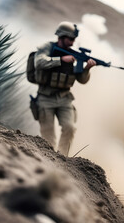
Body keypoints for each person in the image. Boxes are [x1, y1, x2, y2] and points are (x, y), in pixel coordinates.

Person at [33, 21, 96, 156]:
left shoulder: (73, 54)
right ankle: (48, 159)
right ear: (61, 36)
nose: (73, 42)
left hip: (65, 98)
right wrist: (61, 60)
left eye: (74, 39)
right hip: (45, 97)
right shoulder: (48, 47)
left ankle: (62, 159)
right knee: (48, 136)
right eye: (70, 39)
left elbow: (82, 80)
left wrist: (86, 69)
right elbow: (39, 62)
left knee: (70, 128)